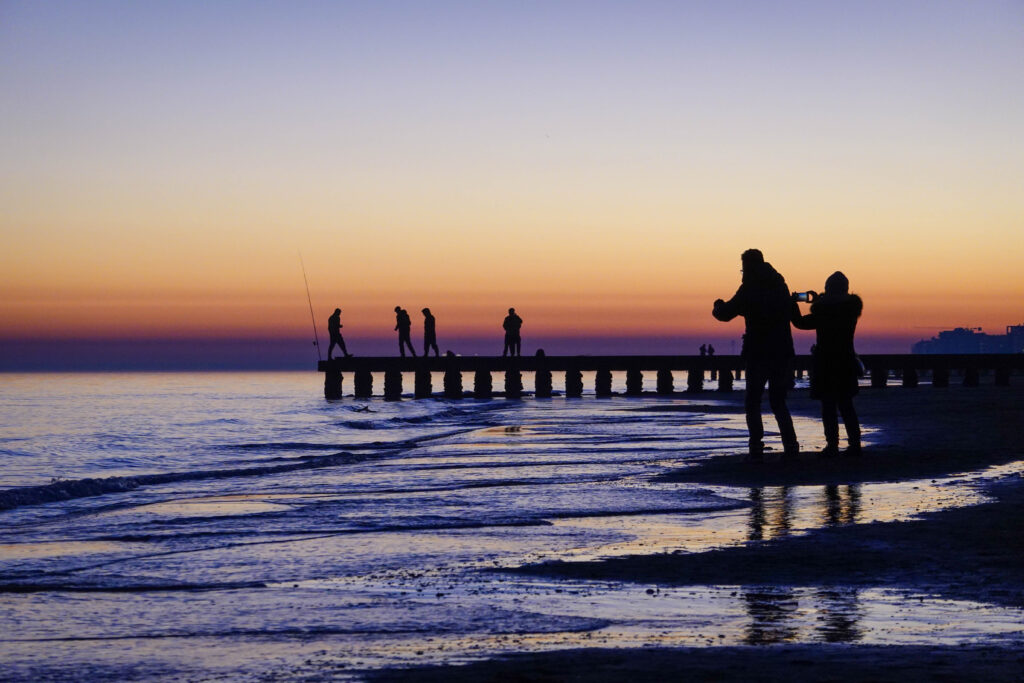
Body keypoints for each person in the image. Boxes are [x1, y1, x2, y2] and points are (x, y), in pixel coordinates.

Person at [712, 249, 799, 461]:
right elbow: (791, 314)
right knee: (779, 401)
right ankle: (790, 444)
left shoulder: (749, 288)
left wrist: (717, 306)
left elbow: (726, 314)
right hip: (781, 352)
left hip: (758, 352)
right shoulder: (780, 285)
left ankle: (756, 446)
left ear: (747, 266)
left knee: (753, 401)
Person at [792, 271, 863, 457]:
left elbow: (800, 323)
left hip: (826, 363)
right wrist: (820, 302)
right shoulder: (850, 309)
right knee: (846, 405)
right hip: (846, 361)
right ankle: (855, 444)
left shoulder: (823, 311)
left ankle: (832, 445)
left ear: (828, 289)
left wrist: (796, 304)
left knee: (828, 406)